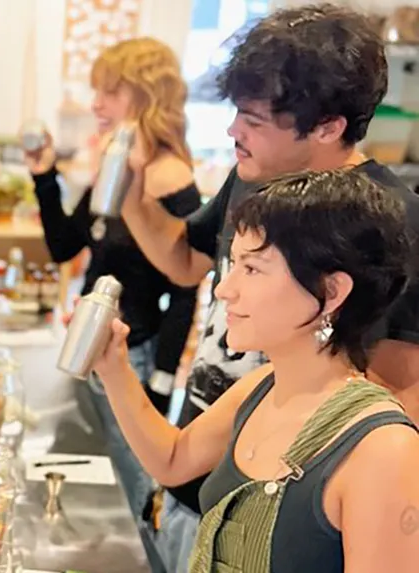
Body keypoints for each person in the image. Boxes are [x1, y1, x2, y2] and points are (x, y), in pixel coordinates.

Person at [112, 5, 419, 571]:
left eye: (253, 118)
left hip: (289, 515)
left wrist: (292, 500)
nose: (233, 131)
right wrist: (129, 195)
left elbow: (394, 401)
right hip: (211, 473)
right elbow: (186, 263)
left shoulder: (389, 224)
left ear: (327, 125)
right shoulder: (254, 177)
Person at [92, 169, 419, 571]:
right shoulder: (263, 386)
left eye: (252, 269)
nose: (223, 289)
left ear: (331, 292)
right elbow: (173, 460)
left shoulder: (382, 447)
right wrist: (114, 367)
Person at [26, 36, 200, 540]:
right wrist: (43, 177)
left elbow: (187, 287)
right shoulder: (115, 164)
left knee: (131, 487)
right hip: (92, 343)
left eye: (110, 92)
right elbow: (65, 247)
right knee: (94, 472)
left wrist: (162, 381)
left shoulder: (169, 175)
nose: (96, 104)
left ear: (146, 94)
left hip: (135, 356)